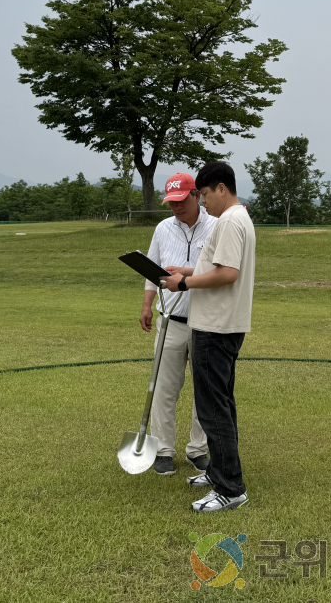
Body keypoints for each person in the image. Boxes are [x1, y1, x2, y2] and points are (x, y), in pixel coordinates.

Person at [160, 161, 255, 513]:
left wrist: (183, 283)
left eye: (204, 194)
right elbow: (215, 267)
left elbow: (228, 273)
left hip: (216, 328)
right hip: (221, 325)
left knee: (214, 409)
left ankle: (230, 488)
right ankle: (218, 473)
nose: (203, 202)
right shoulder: (239, 218)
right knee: (218, 405)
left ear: (221, 189)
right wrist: (186, 271)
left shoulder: (229, 220)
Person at [139, 172, 217, 477]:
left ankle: (198, 450)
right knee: (164, 389)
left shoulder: (216, 226)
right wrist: (147, 305)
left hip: (205, 322)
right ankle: (163, 450)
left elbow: (218, 270)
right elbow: (151, 270)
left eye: (181, 201)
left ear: (196, 196)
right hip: (169, 319)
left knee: (204, 391)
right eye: (171, 203)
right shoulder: (162, 229)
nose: (176, 208)